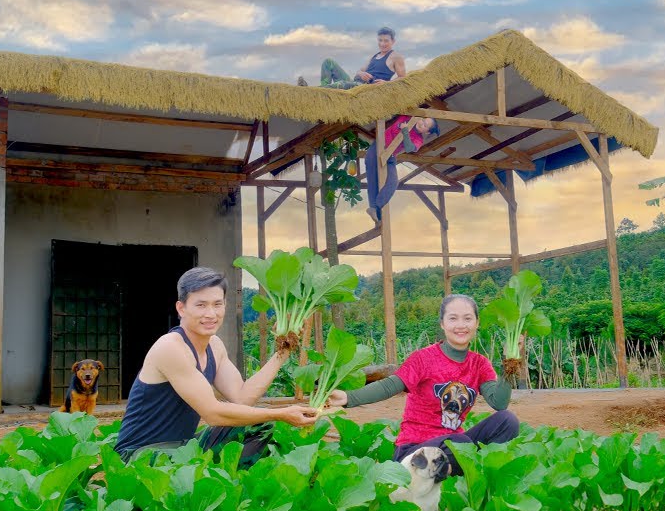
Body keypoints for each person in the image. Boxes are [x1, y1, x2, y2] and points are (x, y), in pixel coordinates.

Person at [114, 266, 318, 464]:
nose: (211, 314)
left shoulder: (215, 346)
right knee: (262, 418)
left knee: (258, 426)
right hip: (139, 456)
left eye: (217, 304)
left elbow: (242, 397)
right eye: (201, 305)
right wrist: (280, 414)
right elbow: (212, 413)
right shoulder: (171, 347)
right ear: (181, 308)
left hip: (182, 450)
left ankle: (231, 482)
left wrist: (284, 350)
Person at [326, 294, 520, 476]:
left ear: (476, 323)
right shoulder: (424, 358)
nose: (461, 325)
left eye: (467, 318)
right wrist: (348, 397)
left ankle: (455, 475)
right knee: (460, 444)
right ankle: (446, 474)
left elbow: (499, 403)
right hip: (413, 451)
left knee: (507, 421)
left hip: (452, 447)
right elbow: (390, 386)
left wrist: (509, 363)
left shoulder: (479, 364)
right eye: (453, 318)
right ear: (442, 324)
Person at [363, 115, 439, 221]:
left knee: (393, 182)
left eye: (425, 125)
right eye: (423, 120)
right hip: (378, 146)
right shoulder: (407, 117)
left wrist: (405, 131)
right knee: (373, 178)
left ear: (427, 132)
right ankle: (374, 208)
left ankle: (376, 207)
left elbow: (408, 148)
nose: (421, 123)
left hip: (390, 155)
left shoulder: (419, 140)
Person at [313, 27, 407, 89]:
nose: (382, 44)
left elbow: (403, 77)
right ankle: (323, 91)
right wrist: (361, 73)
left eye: (386, 41)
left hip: (365, 88)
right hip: (355, 83)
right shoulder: (374, 56)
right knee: (328, 62)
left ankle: (314, 91)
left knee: (341, 84)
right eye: (380, 40)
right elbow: (359, 71)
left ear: (393, 41)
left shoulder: (396, 57)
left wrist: (386, 83)